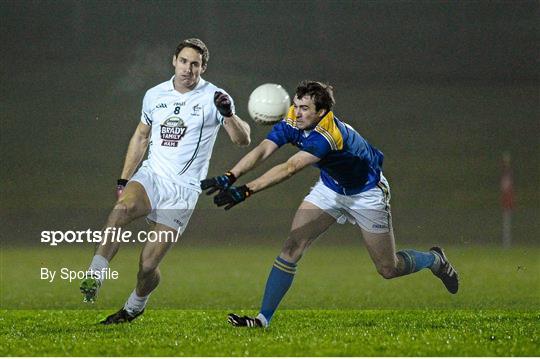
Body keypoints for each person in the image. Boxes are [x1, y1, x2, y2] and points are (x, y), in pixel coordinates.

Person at [201, 80, 458, 328]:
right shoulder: (292, 117)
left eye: (304, 109)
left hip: (366, 193)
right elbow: (264, 150)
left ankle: (434, 260)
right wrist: (230, 176)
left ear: (321, 112)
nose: (297, 113)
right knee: (292, 246)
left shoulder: (328, 134)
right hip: (331, 188)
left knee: (389, 269)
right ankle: (262, 319)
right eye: (296, 105)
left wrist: (246, 191)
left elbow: (290, 167)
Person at [80, 38, 251, 324]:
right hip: (153, 176)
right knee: (121, 210)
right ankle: (95, 275)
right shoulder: (154, 95)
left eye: (195, 64)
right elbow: (141, 137)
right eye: (183, 61)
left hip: (182, 192)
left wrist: (229, 114)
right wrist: (124, 178)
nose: (188, 69)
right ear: (174, 61)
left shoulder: (215, 97)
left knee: (147, 267)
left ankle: (135, 304)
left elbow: (242, 139)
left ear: (203, 68)